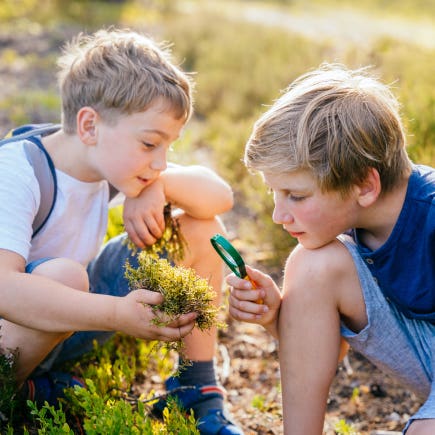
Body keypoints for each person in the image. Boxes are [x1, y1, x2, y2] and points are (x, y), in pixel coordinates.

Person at [0, 28, 243, 435]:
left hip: (65, 326)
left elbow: (218, 196)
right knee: (66, 276)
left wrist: (158, 186)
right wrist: (117, 314)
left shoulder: (103, 161)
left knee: (202, 229)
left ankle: (195, 386)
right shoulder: (18, 172)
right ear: (90, 126)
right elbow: (4, 289)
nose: (161, 161)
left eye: (168, 147)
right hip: (13, 332)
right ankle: (17, 392)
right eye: (150, 144)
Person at [227, 63, 434, 435]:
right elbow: (329, 347)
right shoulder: (360, 217)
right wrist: (282, 317)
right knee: (310, 265)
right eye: (275, 194)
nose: (278, 215)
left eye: (297, 196)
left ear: (363, 185)